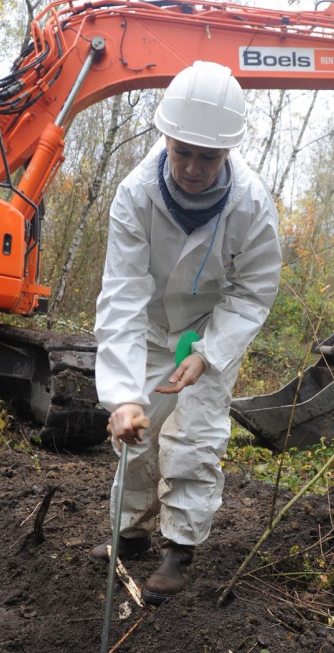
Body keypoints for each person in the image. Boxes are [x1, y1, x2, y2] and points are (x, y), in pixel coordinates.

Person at [89, 60, 282, 605]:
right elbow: (122, 294)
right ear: (166, 138)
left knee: (194, 437)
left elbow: (252, 292)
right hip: (151, 328)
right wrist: (124, 396)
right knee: (136, 434)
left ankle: (179, 548)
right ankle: (130, 531)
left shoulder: (251, 205)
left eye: (208, 156)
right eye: (183, 152)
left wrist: (210, 353)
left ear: (227, 153)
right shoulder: (135, 194)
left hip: (205, 329)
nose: (193, 168)